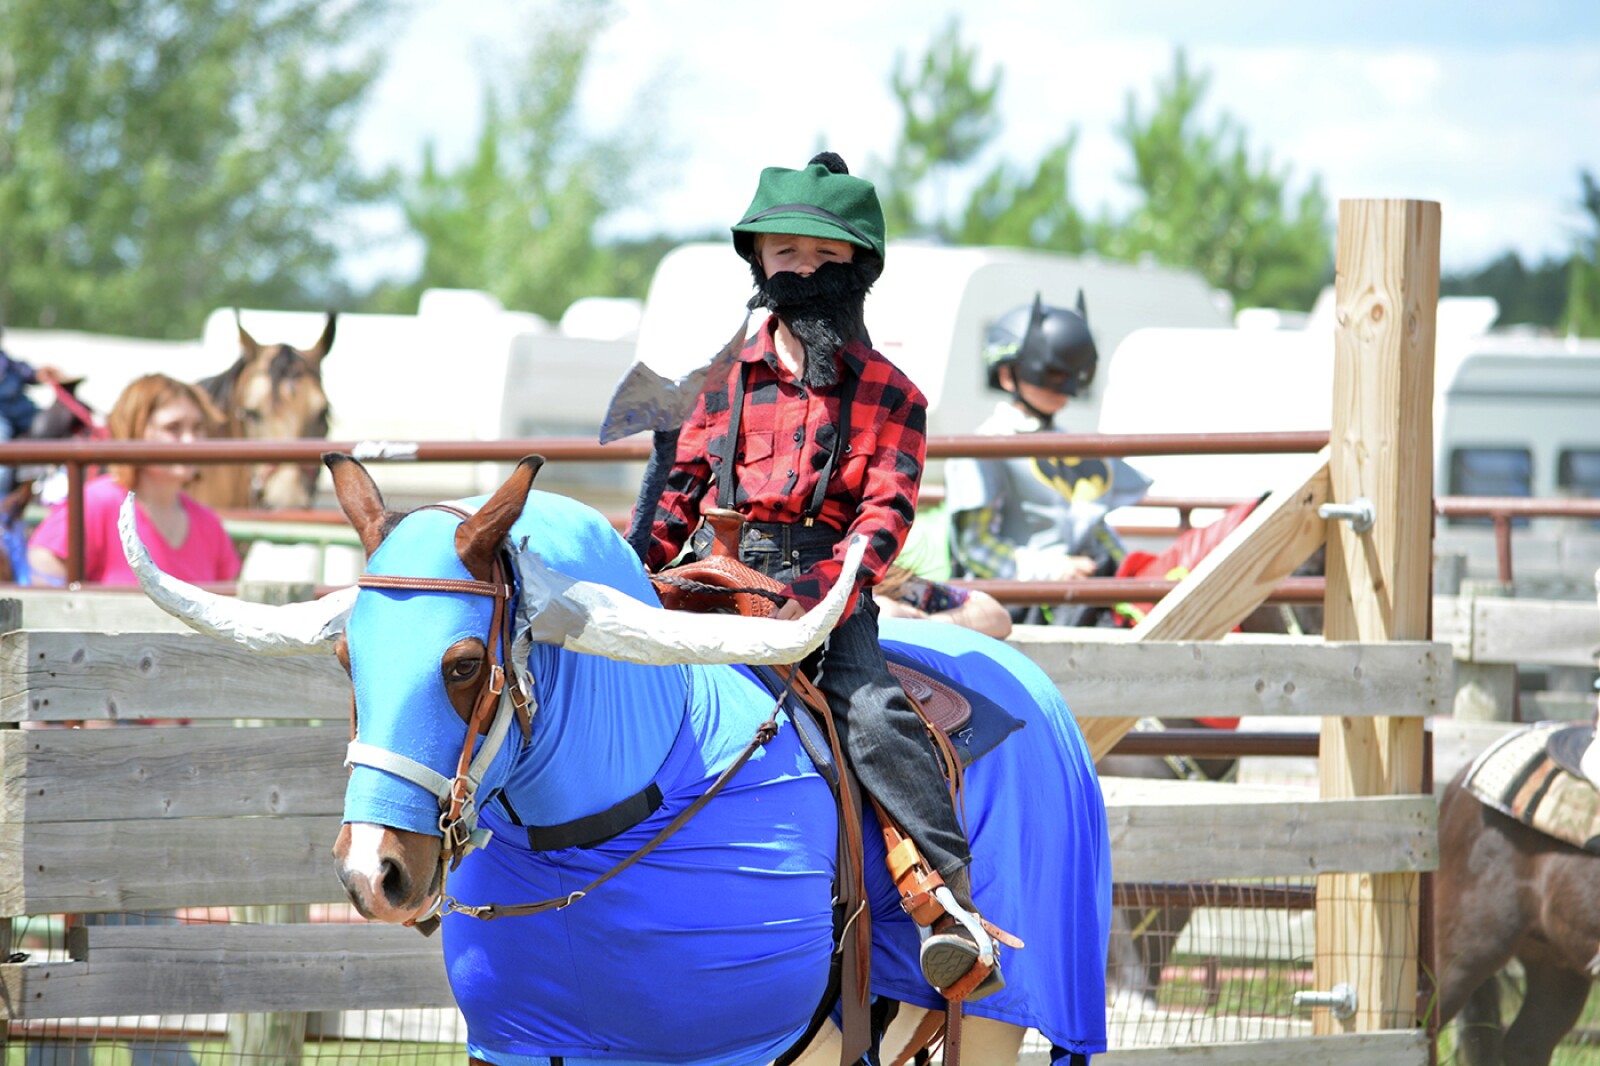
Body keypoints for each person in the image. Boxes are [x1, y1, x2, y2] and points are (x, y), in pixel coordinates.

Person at [639, 152, 1001, 998]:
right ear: (759, 262)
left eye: (822, 258)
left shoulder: (893, 395)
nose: (800, 272)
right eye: (784, 255)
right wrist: (632, 583)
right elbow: (675, 500)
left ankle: (949, 911)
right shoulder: (719, 383)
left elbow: (885, 517)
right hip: (715, 581)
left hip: (828, 598)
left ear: (857, 270)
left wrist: (819, 602)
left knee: (874, 717)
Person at [944, 293, 1153, 627]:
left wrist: (1135, 573)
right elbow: (976, 546)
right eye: (1052, 374)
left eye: (1074, 374)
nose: (1065, 388)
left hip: (1081, 596)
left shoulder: (1075, 444)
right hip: (1018, 606)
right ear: (1008, 375)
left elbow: (1094, 528)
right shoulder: (986, 444)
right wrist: (1052, 570)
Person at [28, 373, 240, 586]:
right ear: (134, 431)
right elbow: (44, 577)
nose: (190, 440)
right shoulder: (96, 503)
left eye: (198, 428)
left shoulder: (209, 524)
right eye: (173, 428)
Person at [0, 318, 64, 497]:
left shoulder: (5, 360)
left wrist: (38, 374)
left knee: (48, 424)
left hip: (20, 411)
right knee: (1, 456)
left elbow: (21, 370)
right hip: (2, 415)